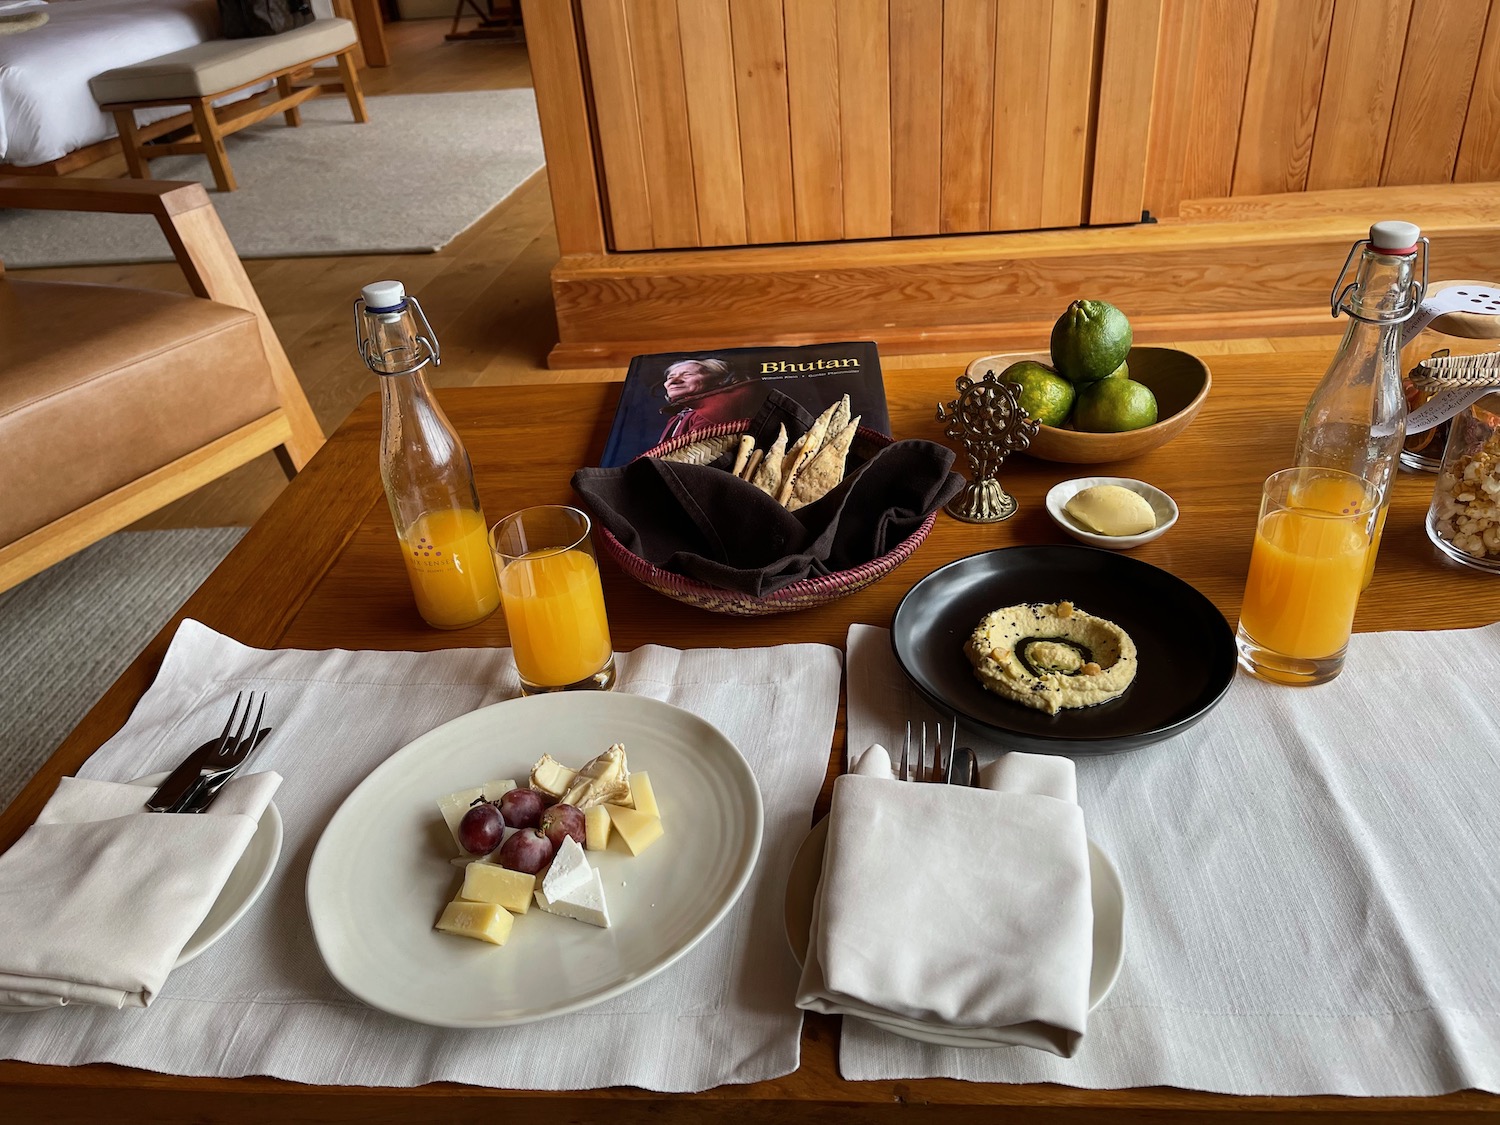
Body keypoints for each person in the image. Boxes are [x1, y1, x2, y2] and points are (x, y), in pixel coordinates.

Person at [656, 357, 765, 442]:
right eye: (670, 377)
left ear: (719, 380)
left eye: (687, 375)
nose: (673, 381)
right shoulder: (683, 414)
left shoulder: (712, 412)